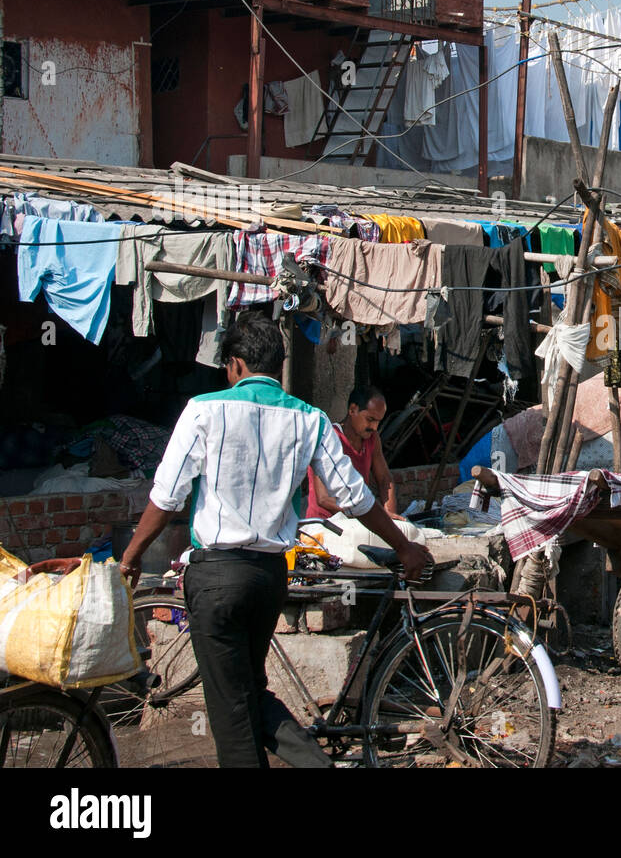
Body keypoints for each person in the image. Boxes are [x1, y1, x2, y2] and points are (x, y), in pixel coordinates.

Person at [118, 312, 432, 768]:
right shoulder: (310, 419)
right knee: (247, 693)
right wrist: (402, 545)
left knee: (231, 714)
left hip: (216, 576)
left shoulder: (204, 410)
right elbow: (356, 496)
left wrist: (131, 555)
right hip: (268, 578)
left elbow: (167, 496)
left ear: (237, 365)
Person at [304, 385, 401, 521]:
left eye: (379, 421)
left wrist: (390, 518)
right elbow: (323, 498)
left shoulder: (372, 439)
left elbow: (385, 479)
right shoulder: (328, 437)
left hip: (357, 521)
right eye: (370, 419)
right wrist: (371, 515)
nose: (374, 427)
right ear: (352, 410)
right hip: (325, 525)